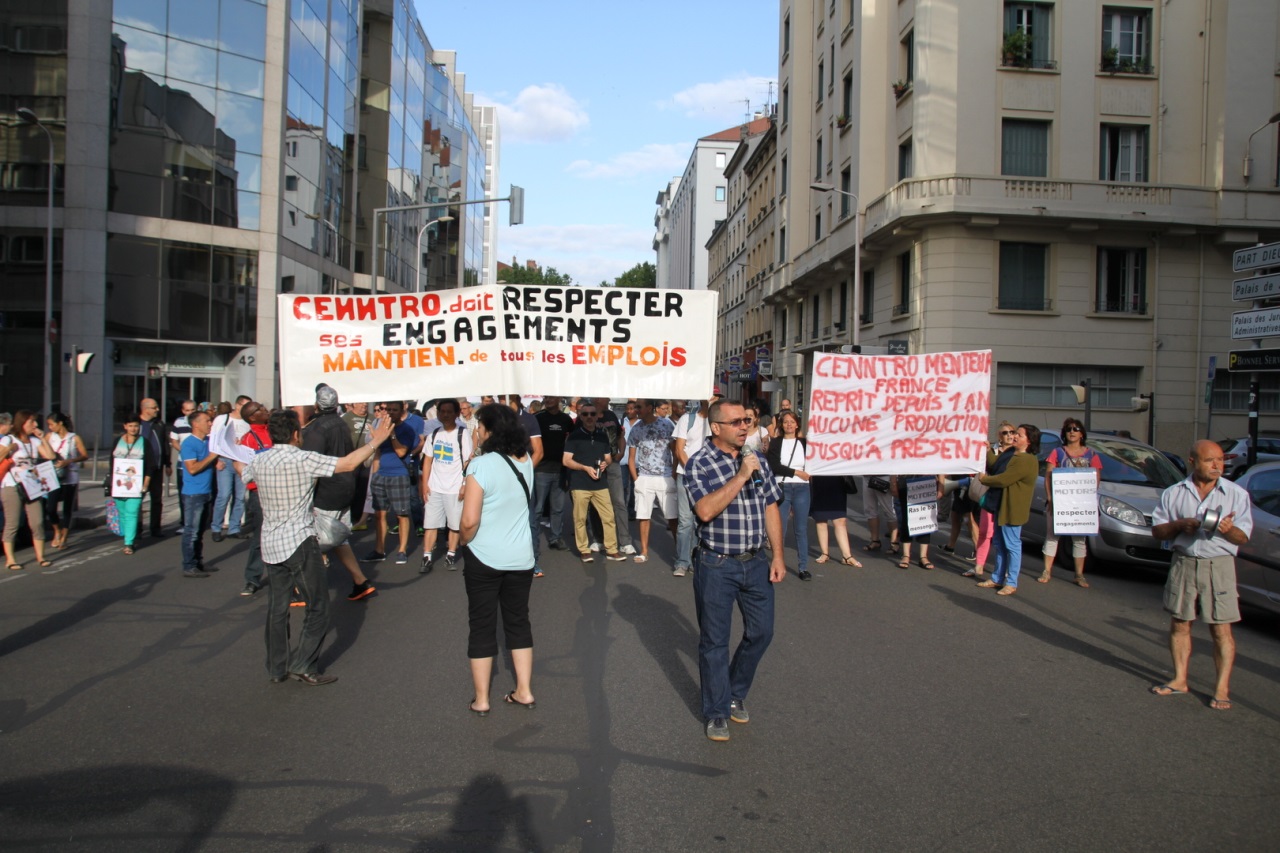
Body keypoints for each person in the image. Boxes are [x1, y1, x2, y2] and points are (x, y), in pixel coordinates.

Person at [240, 409, 393, 686]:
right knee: (319, 606)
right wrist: (375, 441)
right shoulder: (303, 459)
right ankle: (304, 665)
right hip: (299, 540)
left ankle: (276, 668)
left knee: (277, 608)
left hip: (270, 542)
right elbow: (347, 464)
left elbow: (242, 470)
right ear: (296, 434)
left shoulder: (260, 460)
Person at [686, 399, 786, 742]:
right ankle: (716, 711)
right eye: (736, 422)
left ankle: (733, 691)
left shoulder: (756, 458)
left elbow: (771, 504)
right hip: (716, 564)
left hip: (756, 560)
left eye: (747, 421)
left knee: (762, 632)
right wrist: (742, 475)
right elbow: (704, 511)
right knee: (714, 642)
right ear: (716, 428)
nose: (745, 427)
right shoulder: (699, 464)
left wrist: (777, 555)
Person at [1149, 440, 1253, 711]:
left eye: (1220, 460)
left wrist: (1226, 529)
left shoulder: (1236, 494)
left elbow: (1242, 537)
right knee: (1180, 623)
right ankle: (1180, 679)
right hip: (1184, 561)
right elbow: (1158, 531)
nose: (1218, 466)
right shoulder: (1174, 493)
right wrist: (1179, 525)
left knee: (1221, 628)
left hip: (1219, 563)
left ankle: (1221, 688)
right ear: (1193, 461)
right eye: (1210, 461)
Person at [459, 403, 538, 715]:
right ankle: (525, 690)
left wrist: (464, 542)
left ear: (489, 430)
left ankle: (481, 699)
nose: (476, 431)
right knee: (518, 621)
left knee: (482, 625)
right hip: (521, 556)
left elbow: (468, 521)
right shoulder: (526, 460)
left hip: (484, 555)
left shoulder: (481, 466)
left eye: (479, 425)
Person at [303, 386, 376, 600]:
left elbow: (311, 465)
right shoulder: (342, 423)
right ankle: (360, 581)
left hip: (327, 491)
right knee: (337, 537)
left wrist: (306, 495)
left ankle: (307, 590)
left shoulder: (317, 429)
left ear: (316, 404)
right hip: (345, 486)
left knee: (311, 539)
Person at [976, 424, 1041, 595]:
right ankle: (997, 577)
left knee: (1012, 545)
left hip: (1012, 509)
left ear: (1029, 440)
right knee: (999, 543)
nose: (1014, 436)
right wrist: (988, 450)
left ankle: (1011, 582)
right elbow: (994, 466)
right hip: (1000, 505)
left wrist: (985, 480)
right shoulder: (1010, 453)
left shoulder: (1026, 460)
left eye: (1018, 434)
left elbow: (1004, 479)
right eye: (1013, 433)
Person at [1040, 417, 1103, 588]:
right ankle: (1046, 571)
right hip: (1059, 503)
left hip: (1081, 504)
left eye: (1075, 429)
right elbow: (1048, 476)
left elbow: (1096, 478)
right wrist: (1050, 498)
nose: (1072, 432)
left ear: (1082, 433)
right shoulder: (1058, 453)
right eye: (1069, 429)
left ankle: (1079, 574)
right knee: (1052, 536)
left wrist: (1087, 500)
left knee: (1079, 539)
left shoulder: (1091, 454)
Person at [563, 402, 627, 563]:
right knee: (580, 519)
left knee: (609, 517)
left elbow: (607, 457)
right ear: (581, 417)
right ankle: (584, 550)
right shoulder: (574, 436)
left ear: (597, 415)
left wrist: (607, 463)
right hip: (580, 484)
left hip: (600, 483)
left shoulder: (602, 435)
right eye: (585, 414)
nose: (589, 417)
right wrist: (584, 468)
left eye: (592, 414)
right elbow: (566, 460)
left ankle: (612, 549)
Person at [419, 398, 473, 573]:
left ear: (457, 414)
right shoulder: (435, 434)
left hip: (454, 487)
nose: (446, 415)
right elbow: (427, 460)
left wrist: (464, 484)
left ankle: (451, 554)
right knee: (430, 524)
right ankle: (426, 557)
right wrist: (425, 485)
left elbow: (468, 462)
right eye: (443, 411)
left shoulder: (462, 434)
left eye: (450, 412)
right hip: (435, 487)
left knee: (454, 524)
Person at [2, 410, 58, 570]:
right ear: (22, 423)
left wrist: (42, 439)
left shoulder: (34, 441)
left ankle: (40, 556)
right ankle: (11, 559)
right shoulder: (9, 439)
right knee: (12, 523)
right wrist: (9, 449)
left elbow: (50, 456)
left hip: (32, 485)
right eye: (31, 422)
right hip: (12, 485)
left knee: (37, 521)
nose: (35, 425)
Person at [963, 421, 1017, 580]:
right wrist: (985, 451)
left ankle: (1004, 570)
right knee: (985, 532)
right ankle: (979, 566)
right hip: (990, 495)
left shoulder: (1017, 453)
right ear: (999, 436)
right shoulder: (992, 451)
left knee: (1004, 537)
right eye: (1005, 433)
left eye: (1012, 432)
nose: (1009, 435)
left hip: (1007, 498)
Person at [365, 400, 417, 564]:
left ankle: (402, 550)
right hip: (381, 474)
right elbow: (378, 450)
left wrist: (391, 434)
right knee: (379, 514)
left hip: (399, 474)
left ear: (401, 411)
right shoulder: (382, 426)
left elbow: (402, 452)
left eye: (395, 410)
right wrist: (375, 473)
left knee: (401, 514)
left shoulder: (407, 429)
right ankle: (379, 550)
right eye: (388, 410)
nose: (391, 413)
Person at [672, 391, 718, 577]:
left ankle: (696, 558)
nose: (713, 399)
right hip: (686, 475)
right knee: (685, 521)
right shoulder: (687, 419)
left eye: (716, 396)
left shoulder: (718, 423)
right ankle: (682, 562)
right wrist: (691, 471)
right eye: (710, 395)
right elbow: (679, 449)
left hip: (710, 479)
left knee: (702, 519)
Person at [627, 399, 677, 564]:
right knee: (643, 516)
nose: (636, 410)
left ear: (650, 408)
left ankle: (680, 551)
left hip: (666, 476)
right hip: (645, 477)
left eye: (639, 407)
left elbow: (675, 452)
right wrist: (637, 480)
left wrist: (674, 476)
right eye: (635, 407)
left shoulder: (667, 425)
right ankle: (644, 551)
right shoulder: (636, 429)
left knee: (673, 517)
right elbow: (631, 458)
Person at [766, 410, 813, 580]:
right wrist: (796, 472)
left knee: (801, 529)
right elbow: (774, 465)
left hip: (802, 488)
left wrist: (805, 475)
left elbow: (814, 462)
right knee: (780, 529)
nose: (789, 425)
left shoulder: (805, 443)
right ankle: (778, 564)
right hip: (782, 487)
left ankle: (803, 567)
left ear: (797, 424)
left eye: (792, 422)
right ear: (781, 424)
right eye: (785, 422)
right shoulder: (776, 443)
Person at [531, 395, 573, 566]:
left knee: (558, 508)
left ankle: (556, 538)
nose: (548, 400)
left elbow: (572, 440)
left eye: (551, 398)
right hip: (541, 470)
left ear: (558, 400)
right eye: (545, 398)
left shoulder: (566, 419)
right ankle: (531, 542)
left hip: (561, 470)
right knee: (538, 508)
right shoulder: (537, 418)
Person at [237, 402, 273, 595]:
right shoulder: (248, 440)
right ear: (251, 417)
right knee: (260, 537)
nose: (265, 409)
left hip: (280, 491)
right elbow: (245, 470)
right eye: (259, 409)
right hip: (260, 493)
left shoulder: (274, 431)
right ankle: (252, 578)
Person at [179, 411, 220, 578]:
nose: (210, 423)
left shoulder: (208, 441)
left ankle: (198, 562)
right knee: (192, 531)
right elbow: (192, 468)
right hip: (193, 494)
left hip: (207, 491)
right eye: (207, 421)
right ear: (195, 424)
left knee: (201, 531)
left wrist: (217, 461)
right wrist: (212, 458)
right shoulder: (189, 444)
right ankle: (189, 565)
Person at [593, 397, 636, 556]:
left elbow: (620, 436)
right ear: (598, 399)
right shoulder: (588, 414)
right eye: (606, 398)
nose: (609, 399)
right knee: (595, 503)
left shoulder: (611, 416)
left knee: (619, 502)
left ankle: (625, 542)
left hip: (612, 464)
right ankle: (599, 540)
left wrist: (621, 452)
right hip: (594, 465)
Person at [110, 413, 154, 555]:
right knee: (122, 513)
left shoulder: (144, 442)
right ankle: (128, 534)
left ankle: (129, 543)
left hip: (136, 485)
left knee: (132, 512)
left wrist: (145, 484)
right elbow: (112, 463)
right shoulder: (117, 441)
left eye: (136, 425)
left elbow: (150, 465)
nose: (133, 428)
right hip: (119, 485)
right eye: (130, 426)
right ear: (125, 427)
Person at [210, 395, 251, 541]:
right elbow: (214, 439)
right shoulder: (222, 419)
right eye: (245, 406)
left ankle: (234, 528)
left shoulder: (248, 422)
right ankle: (216, 527)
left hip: (241, 461)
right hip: (225, 460)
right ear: (237, 405)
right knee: (224, 495)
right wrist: (215, 460)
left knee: (240, 497)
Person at [45, 412, 88, 550]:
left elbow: (84, 455)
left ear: (60, 423)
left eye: (52, 424)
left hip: (70, 476)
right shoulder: (49, 437)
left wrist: (70, 461)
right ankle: (56, 529)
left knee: (67, 509)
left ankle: (64, 536)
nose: (50, 427)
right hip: (54, 476)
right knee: (50, 508)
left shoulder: (74, 438)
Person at [891, 474, 945, 571]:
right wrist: (893, 482)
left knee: (925, 518)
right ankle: (906, 555)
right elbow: (895, 462)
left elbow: (940, 463)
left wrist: (941, 485)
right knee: (905, 519)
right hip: (905, 481)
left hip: (927, 481)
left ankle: (923, 556)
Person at [138, 398, 170, 537]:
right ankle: (137, 528)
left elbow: (164, 444)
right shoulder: (136, 424)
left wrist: (167, 463)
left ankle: (155, 528)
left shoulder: (159, 424)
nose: (157, 410)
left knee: (156, 499)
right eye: (154, 407)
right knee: (137, 499)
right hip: (139, 470)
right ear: (145, 409)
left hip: (156, 468)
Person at [341, 400, 374, 530]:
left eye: (365, 404)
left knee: (364, 487)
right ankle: (351, 514)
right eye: (360, 403)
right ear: (353, 404)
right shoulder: (346, 418)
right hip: (352, 458)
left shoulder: (372, 418)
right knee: (352, 486)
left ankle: (360, 516)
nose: (363, 406)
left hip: (367, 458)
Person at [170, 399, 197, 531]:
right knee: (183, 495)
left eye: (192, 410)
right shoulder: (179, 422)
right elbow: (173, 440)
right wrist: (184, 451)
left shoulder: (201, 421)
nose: (190, 412)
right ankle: (184, 523)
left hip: (199, 463)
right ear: (183, 411)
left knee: (198, 494)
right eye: (187, 410)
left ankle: (196, 522)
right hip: (182, 464)